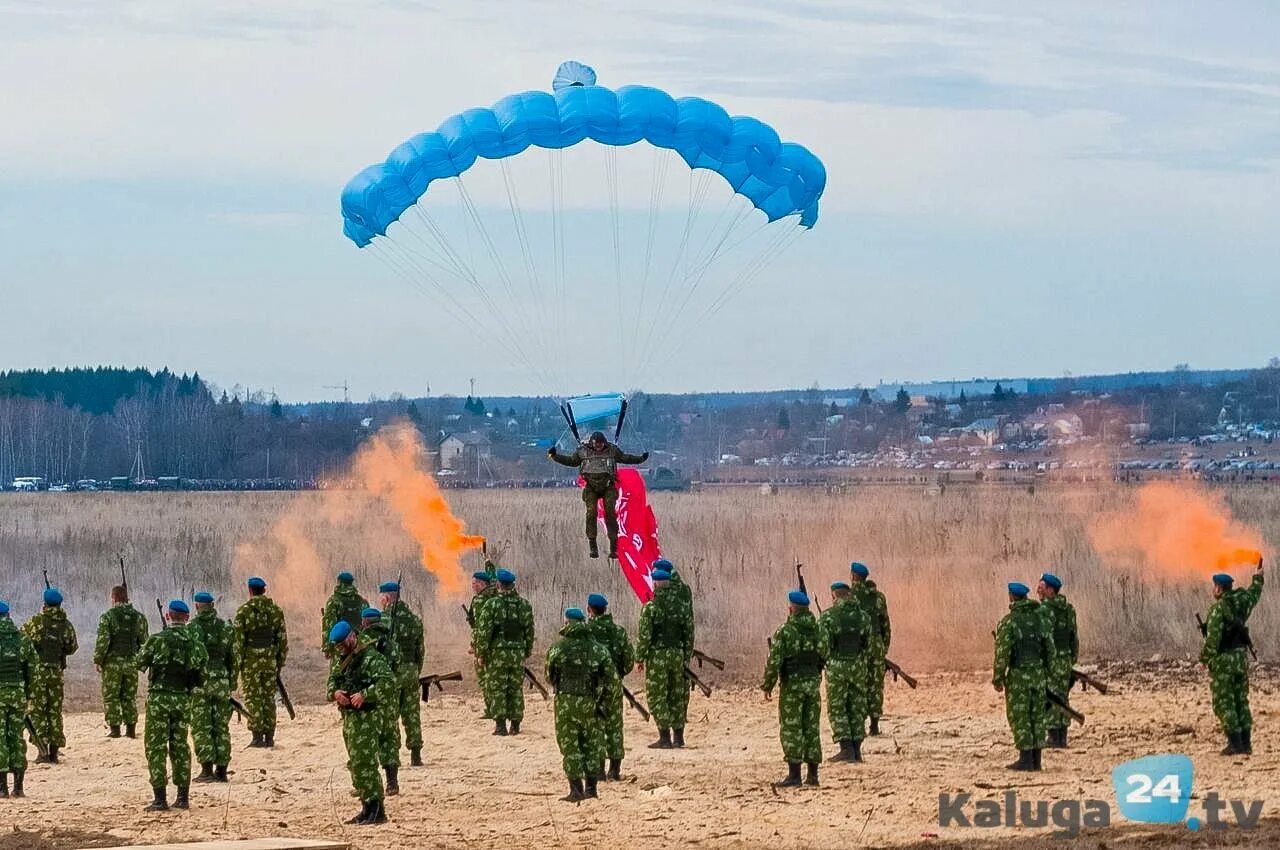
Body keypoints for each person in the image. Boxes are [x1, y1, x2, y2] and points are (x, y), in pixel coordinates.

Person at [136, 600, 208, 811]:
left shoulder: (157, 640)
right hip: (182, 699)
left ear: (168, 616)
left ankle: (160, 799)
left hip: (159, 699)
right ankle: (183, 798)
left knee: (156, 747)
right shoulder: (196, 645)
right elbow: (201, 675)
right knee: (180, 746)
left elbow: (139, 663)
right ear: (187, 618)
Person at [327, 621, 394, 825]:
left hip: (368, 717)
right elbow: (332, 680)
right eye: (336, 646)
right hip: (350, 717)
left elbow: (388, 682)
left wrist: (365, 695)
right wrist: (335, 693)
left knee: (366, 762)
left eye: (341, 644)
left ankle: (377, 808)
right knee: (356, 763)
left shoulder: (371, 657)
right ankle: (366, 806)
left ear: (351, 637)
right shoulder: (343, 658)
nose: (339, 649)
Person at [546, 607, 613, 802]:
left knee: (570, 746)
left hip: (566, 702)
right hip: (590, 701)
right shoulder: (598, 649)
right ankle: (591, 789)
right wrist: (604, 704)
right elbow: (610, 679)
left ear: (567, 623)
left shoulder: (558, 647)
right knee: (591, 744)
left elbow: (549, 675)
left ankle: (575, 790)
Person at [548, 431, 649, 559]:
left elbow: (626, 458)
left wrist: (641, 458)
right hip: (591, 486)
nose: (599, 447)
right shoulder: (582, 451)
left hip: (608, 486)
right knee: (591, 513)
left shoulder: (612, 450)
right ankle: (593, 545)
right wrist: (555, 456)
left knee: (610, 513)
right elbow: (571, 461)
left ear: (604, 443)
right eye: (596, 444)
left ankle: (614, 546)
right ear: (592, 443)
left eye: (601, 444)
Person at [762, 590, 827, 787]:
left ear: (791, 609)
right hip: (812, 684)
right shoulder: (819, 630)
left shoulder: (786, 631)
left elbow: (774, 661)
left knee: (792, 727)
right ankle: (813, 775)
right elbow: (825, 652)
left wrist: (768, 685)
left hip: (792, 686)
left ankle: (794, 775)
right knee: (811, 727)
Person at [1201, 561, 1264, 756]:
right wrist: (1258, 576)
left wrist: (1205, 659)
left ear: (1219, 588)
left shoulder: (1218, 609)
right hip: (1240, 659)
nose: (1214, 590)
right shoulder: (1242, 601)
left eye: (1215, 587)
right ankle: (1246, 744)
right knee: (1241, 700)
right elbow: (1254, 593)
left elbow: (1213, 640)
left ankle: (1234, 744)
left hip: (1223, 662)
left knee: (1224, 702)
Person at [992, 582, 1054, 772]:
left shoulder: (1009, 622)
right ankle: (1037, 759)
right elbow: (1050, 649)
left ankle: (1025, 759)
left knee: (1021, 716)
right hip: (1038, 675)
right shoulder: (1041, 620)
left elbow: (1002, 653)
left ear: (1012, 597)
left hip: (1019, 676)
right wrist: (1047, 673)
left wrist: (998, 678)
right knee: (1038, 715)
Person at [635, 568, 694, 749]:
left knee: (657, 695)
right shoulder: (681, 606)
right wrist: (686, 655)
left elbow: (645, 636)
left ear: (655, 583)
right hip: (677, 654)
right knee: (677, 694)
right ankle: (678, 736)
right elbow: (689, 633)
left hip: (657, 657)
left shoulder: (651, 607)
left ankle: (664, 737)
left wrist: (639, 658)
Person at [474, 569, 534, 736]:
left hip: (497, 654)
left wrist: (481, 654)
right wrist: (526, 650)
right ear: (513, 585)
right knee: (515, 687)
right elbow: (529, 631)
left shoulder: (491, 604)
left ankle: (500, 726)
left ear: (498, 584)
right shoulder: (524, 605)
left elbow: (484, 632)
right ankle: (515, 724)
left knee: (497, 687)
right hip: (517, 653)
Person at [818, 581, 872, 762]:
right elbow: (868, 644)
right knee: (857, 706)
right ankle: (856, 750)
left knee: (838, 706)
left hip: (837, 667)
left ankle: (846, 749)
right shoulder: (863, 617)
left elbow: (823, 646)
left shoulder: (828, 617)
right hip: (858, 666)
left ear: (834, 596)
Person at [23, 586, 78, 764]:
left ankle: (42, 751)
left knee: (38, 711)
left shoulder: (36, 622)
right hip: (56, 672)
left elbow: (24, 642)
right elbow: (72, 647)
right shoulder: (66, 624)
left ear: (44, 603)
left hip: (38, 673)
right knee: (54, 711)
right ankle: (54, 752)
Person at [232, 576, 288, 748]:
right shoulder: (276, 611)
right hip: (270, 660)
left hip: (250, 662)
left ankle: (257, 737)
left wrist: (237, 665)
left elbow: (238, 643)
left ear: (250, 591)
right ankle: (270, 737)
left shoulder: (244, 611)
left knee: (253, 698)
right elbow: (282, 640)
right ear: (264, 590)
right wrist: (278, 662)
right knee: (268, 698)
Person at [188, 591, 237, 783]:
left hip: (201, 683)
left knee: (201, 726)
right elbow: (234, 659)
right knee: (221, 726)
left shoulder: (192, 628)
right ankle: (222, 770)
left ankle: (207, 769)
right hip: (221, 682)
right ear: (213, 605)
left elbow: (190, 659)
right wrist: (231, 682)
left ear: (197, 606)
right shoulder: (226, 628)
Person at [585, 592, 634, 780]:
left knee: (595, 726)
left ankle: (598, 770)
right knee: (614, 725)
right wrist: (618, 673)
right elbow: (629, 659)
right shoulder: (619, 632)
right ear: (605, 610)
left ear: (590, 610)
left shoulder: (587, 632)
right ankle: (614, 769)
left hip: (592, 685)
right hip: (613, 684)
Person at [379, 580, 425, 767]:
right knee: (412, 712)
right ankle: (416, 753)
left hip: (392, 673)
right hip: (411, 670)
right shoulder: (414, 620)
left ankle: (393, 755)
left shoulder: (383, 621)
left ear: (388, 597)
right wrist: (416, 669)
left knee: (391, 715)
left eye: (382, 597)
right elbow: (420, 650)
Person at [93, 584, 148, 739]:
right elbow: (144, 642)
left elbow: (103, 640)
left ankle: (115, 729)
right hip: (131, 662)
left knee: (111, 696)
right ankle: (131, 730)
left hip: (112, 663)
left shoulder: (108, 616)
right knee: (129, 696)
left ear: (114, 598)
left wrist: (98, 659)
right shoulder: (139, 617)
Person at [358, 607, 400, 794]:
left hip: (368, 697)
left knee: (367, 741)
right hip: (389, 697)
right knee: (389, 738)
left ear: (365, 622)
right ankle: (392, 782)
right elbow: (397, 665)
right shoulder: (391, 642)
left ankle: (367, 783)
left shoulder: (362, 643)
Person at [1036, 573, 1078, 749]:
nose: (1038, 589)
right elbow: (1074, 637)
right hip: (1065, 658)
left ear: (1050, 590)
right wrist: (1071, 658)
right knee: (1063, 696)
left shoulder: (1045, 610)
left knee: (1051, 696)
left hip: (1051, 660)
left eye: (1042, 586)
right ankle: (1062, 737)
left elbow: (1043, 637)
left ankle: (1053, 737)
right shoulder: (1068, 609)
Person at [0, 600, 37, 798]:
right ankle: (19, 787)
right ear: (8, 615)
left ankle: (2, 788)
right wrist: (29, 695)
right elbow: (33, 670)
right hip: (18, 695)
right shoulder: (22, 639)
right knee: (16, 737)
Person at [849, 562, 890, 735]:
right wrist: (883, 648)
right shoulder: (878, 597)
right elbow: (886, 624)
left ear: (853, 576)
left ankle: (859, 723)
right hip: (877, 642)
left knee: (859, 684)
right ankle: (874, 724)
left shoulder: (850, 597)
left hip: (859, 644)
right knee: (875, 684)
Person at [467, 568, 498, 719]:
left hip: (484, 645)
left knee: (485, 677)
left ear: (481, 583)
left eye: (474, 583)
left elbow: (480, 627)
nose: (472, 586)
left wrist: (476, 646)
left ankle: (491, 709)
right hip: (497, 645)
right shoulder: (495, 595)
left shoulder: (480, 600)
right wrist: (489, 566)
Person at [322, 572, 368, 657]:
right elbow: (367, 624)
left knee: (339, 669)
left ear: (339, 583)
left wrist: (327, 647)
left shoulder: (334, 601)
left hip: (340, 645)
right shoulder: (362, 601)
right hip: (358, 644)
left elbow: (328, 624)